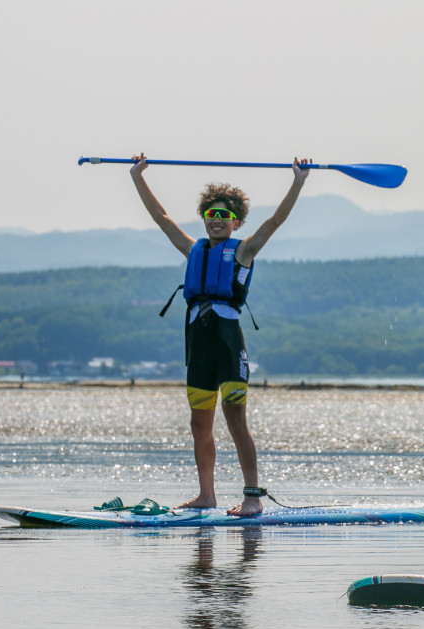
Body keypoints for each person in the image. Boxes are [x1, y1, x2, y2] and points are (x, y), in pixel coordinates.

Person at [130, 155, 311, 515]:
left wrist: (298, 181)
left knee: (235, 419)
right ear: (203, 218)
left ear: (236, 221)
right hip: (198, 346)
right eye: (210, 215)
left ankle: (252, 498)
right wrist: (137, 177)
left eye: (223, 216)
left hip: (228, 343)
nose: (216, 221)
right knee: (199, 424)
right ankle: (206, 496)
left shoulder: (243, 251)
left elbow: (275, 221)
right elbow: (160, 218)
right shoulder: (191, 249)